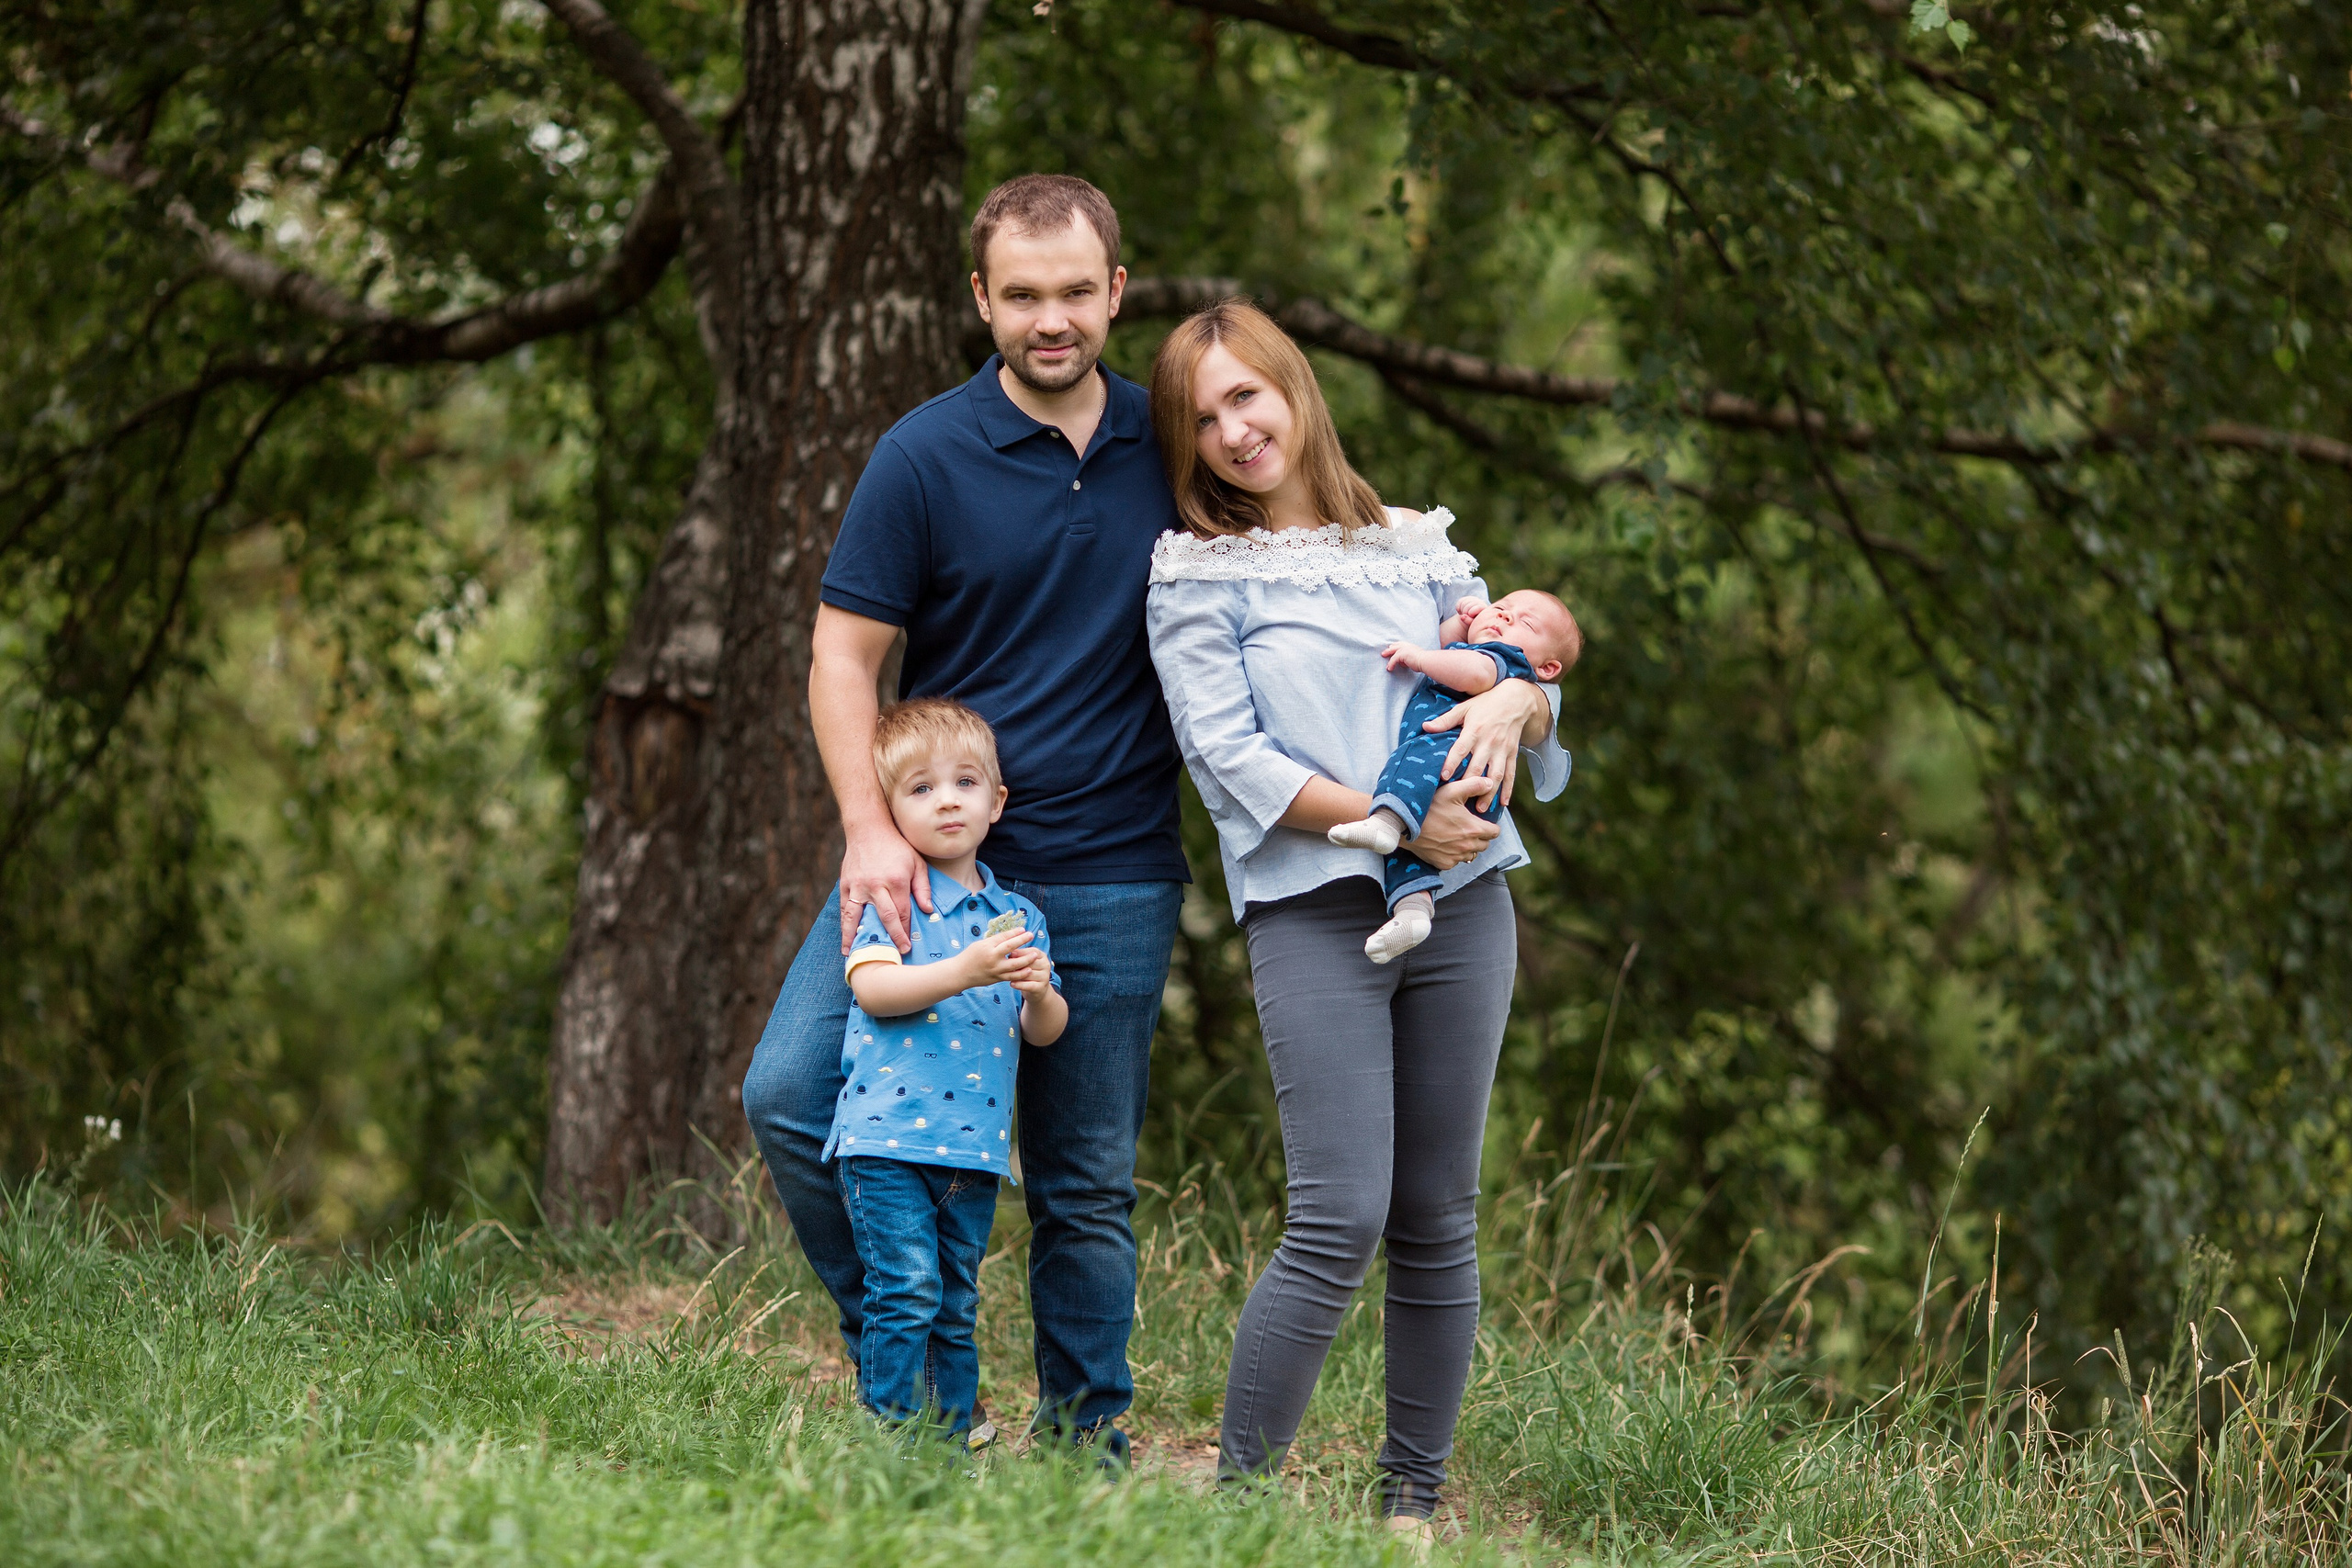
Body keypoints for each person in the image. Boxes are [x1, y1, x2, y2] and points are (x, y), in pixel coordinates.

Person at [741, 173, 1548, 1462]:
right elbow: (845, 656)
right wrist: (868, 828)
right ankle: (925, 1369)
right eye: (1021, 296)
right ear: (981, 300)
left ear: (1115, 292)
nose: (1049, 319)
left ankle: (1086, 1451)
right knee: (790, 1092)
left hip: (1113, 861)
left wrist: (1516, 682)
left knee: (1085, 1182)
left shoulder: (1175, 449)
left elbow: (1336, 583)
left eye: (1075, 292)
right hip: (941, 849)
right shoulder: (923, 454)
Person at [1143, 299, 1570, 1538]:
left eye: (1248, 395)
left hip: (1468, 901)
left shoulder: (1421, 549)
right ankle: (1238, 1513)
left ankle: (1409, 1511)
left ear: (1297, 389)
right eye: (1203, 414)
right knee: (1340, 1209)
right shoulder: (1193, 574)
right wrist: (1387, 826)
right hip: (1313, 910)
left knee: (1438, 1211)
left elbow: (1528, 691)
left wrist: (1510, 715)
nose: (1234, 429)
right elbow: (1230, 760)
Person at [828, 697, 1067, 1438]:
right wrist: (963, 970)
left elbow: (1046, 1028)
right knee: (905, 1290)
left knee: (955, 1300)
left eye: (965, 782)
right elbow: (871, 987)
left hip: (974, 1148)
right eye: (921, 788)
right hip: (887, 1137)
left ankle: (950, 1439)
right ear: (891, 809)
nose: (947, 800)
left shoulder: (1018, 916)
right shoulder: (897, 899)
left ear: (996, 802)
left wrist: (1036, 990)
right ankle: (892, 1438)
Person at [1327, 588, 1582, 961]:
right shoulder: (1487, 646)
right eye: (1501, 608)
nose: (1505, 617)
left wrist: (1420, 658)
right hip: (1469, 780)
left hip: (1449, 755)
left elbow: (1471, 673)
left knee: (1408, 759)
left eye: (1523, 622)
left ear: (1547, 669)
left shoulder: (1504, 659)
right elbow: (1445, 638)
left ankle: (1385, 822)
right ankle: (1413, 912)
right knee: (1413, 858)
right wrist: (1466, 622)